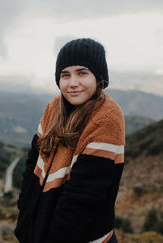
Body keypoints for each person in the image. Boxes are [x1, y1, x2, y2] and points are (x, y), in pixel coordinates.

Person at [14, 38, 125, 243]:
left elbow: (82, 199)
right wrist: (25, 217)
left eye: (82, 73)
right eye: (65, 75)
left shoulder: (107, 118)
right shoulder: (53, 108)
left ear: (99, 78)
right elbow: (32, 167)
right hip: (38, 231)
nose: (72, 83)